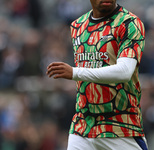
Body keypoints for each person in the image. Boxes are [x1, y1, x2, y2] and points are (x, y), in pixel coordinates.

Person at [46, 0, 147, 149]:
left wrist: (75, 72)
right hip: (83, 125)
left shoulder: (129, 23)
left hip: (120, 125)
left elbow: (124, 72)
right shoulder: (77, 25)